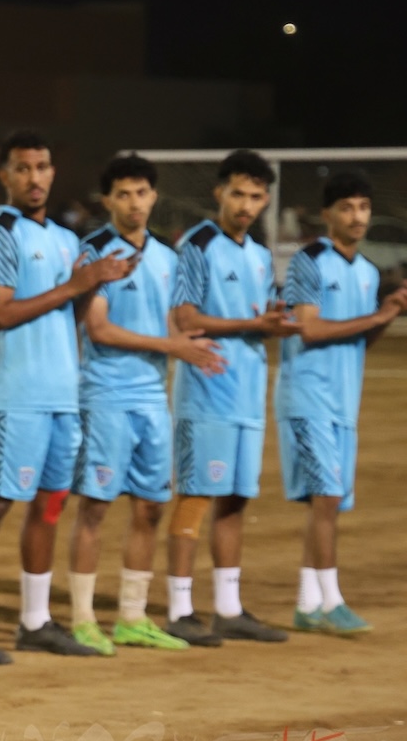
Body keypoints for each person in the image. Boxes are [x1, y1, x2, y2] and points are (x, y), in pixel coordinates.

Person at [0, 130, 131, 664]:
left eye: (42, 166)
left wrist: (95, 284)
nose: (35, 178)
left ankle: (35, 621)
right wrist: (77, 285)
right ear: (5, 176)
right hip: (17, 393)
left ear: (53, 172)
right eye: (23, 168)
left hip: (62, 393)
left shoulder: (65, 239)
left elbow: (69, 315)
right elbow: (0, 312)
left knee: (50, 505)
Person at [66, 156, 226, 655]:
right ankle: (82, 619)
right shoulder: (95, 252)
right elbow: (99, 329)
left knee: (151, 507)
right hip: (106, 395)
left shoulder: (167, 257)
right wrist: (172, 346)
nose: (134, 203)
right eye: (123, 194)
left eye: (141, 193)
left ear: (154, 197)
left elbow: (174, 322)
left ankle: (132, 617)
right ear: (107, 201)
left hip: (153, 398)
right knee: (95, 508)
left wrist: (192, 343)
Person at [165, 150, 296, 646]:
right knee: (196, 496)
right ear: (220, 192)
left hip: (247, 394)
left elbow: (257, 318)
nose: (246, 205)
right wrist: (253, 323)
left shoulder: (259, 256)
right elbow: (186, 318)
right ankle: (180, 610)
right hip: (207, 393)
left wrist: (273, 323)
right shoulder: (198, 245)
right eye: (238, 194)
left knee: (236, 500)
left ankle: (228, 608)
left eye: (256, 197)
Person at [277, 173, 407, 635]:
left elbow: (360, 339)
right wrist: (377, 315)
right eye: (347, 207)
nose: (357, 216)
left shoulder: (368, 271)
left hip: (343, 402)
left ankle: (307, 603)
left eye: (364, 207)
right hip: (308, 395)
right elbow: (310, 329)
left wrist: (387, 313)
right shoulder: (309, 260)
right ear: (327, 214)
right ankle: (332, 601)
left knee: (326, 502)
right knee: (328, 496)